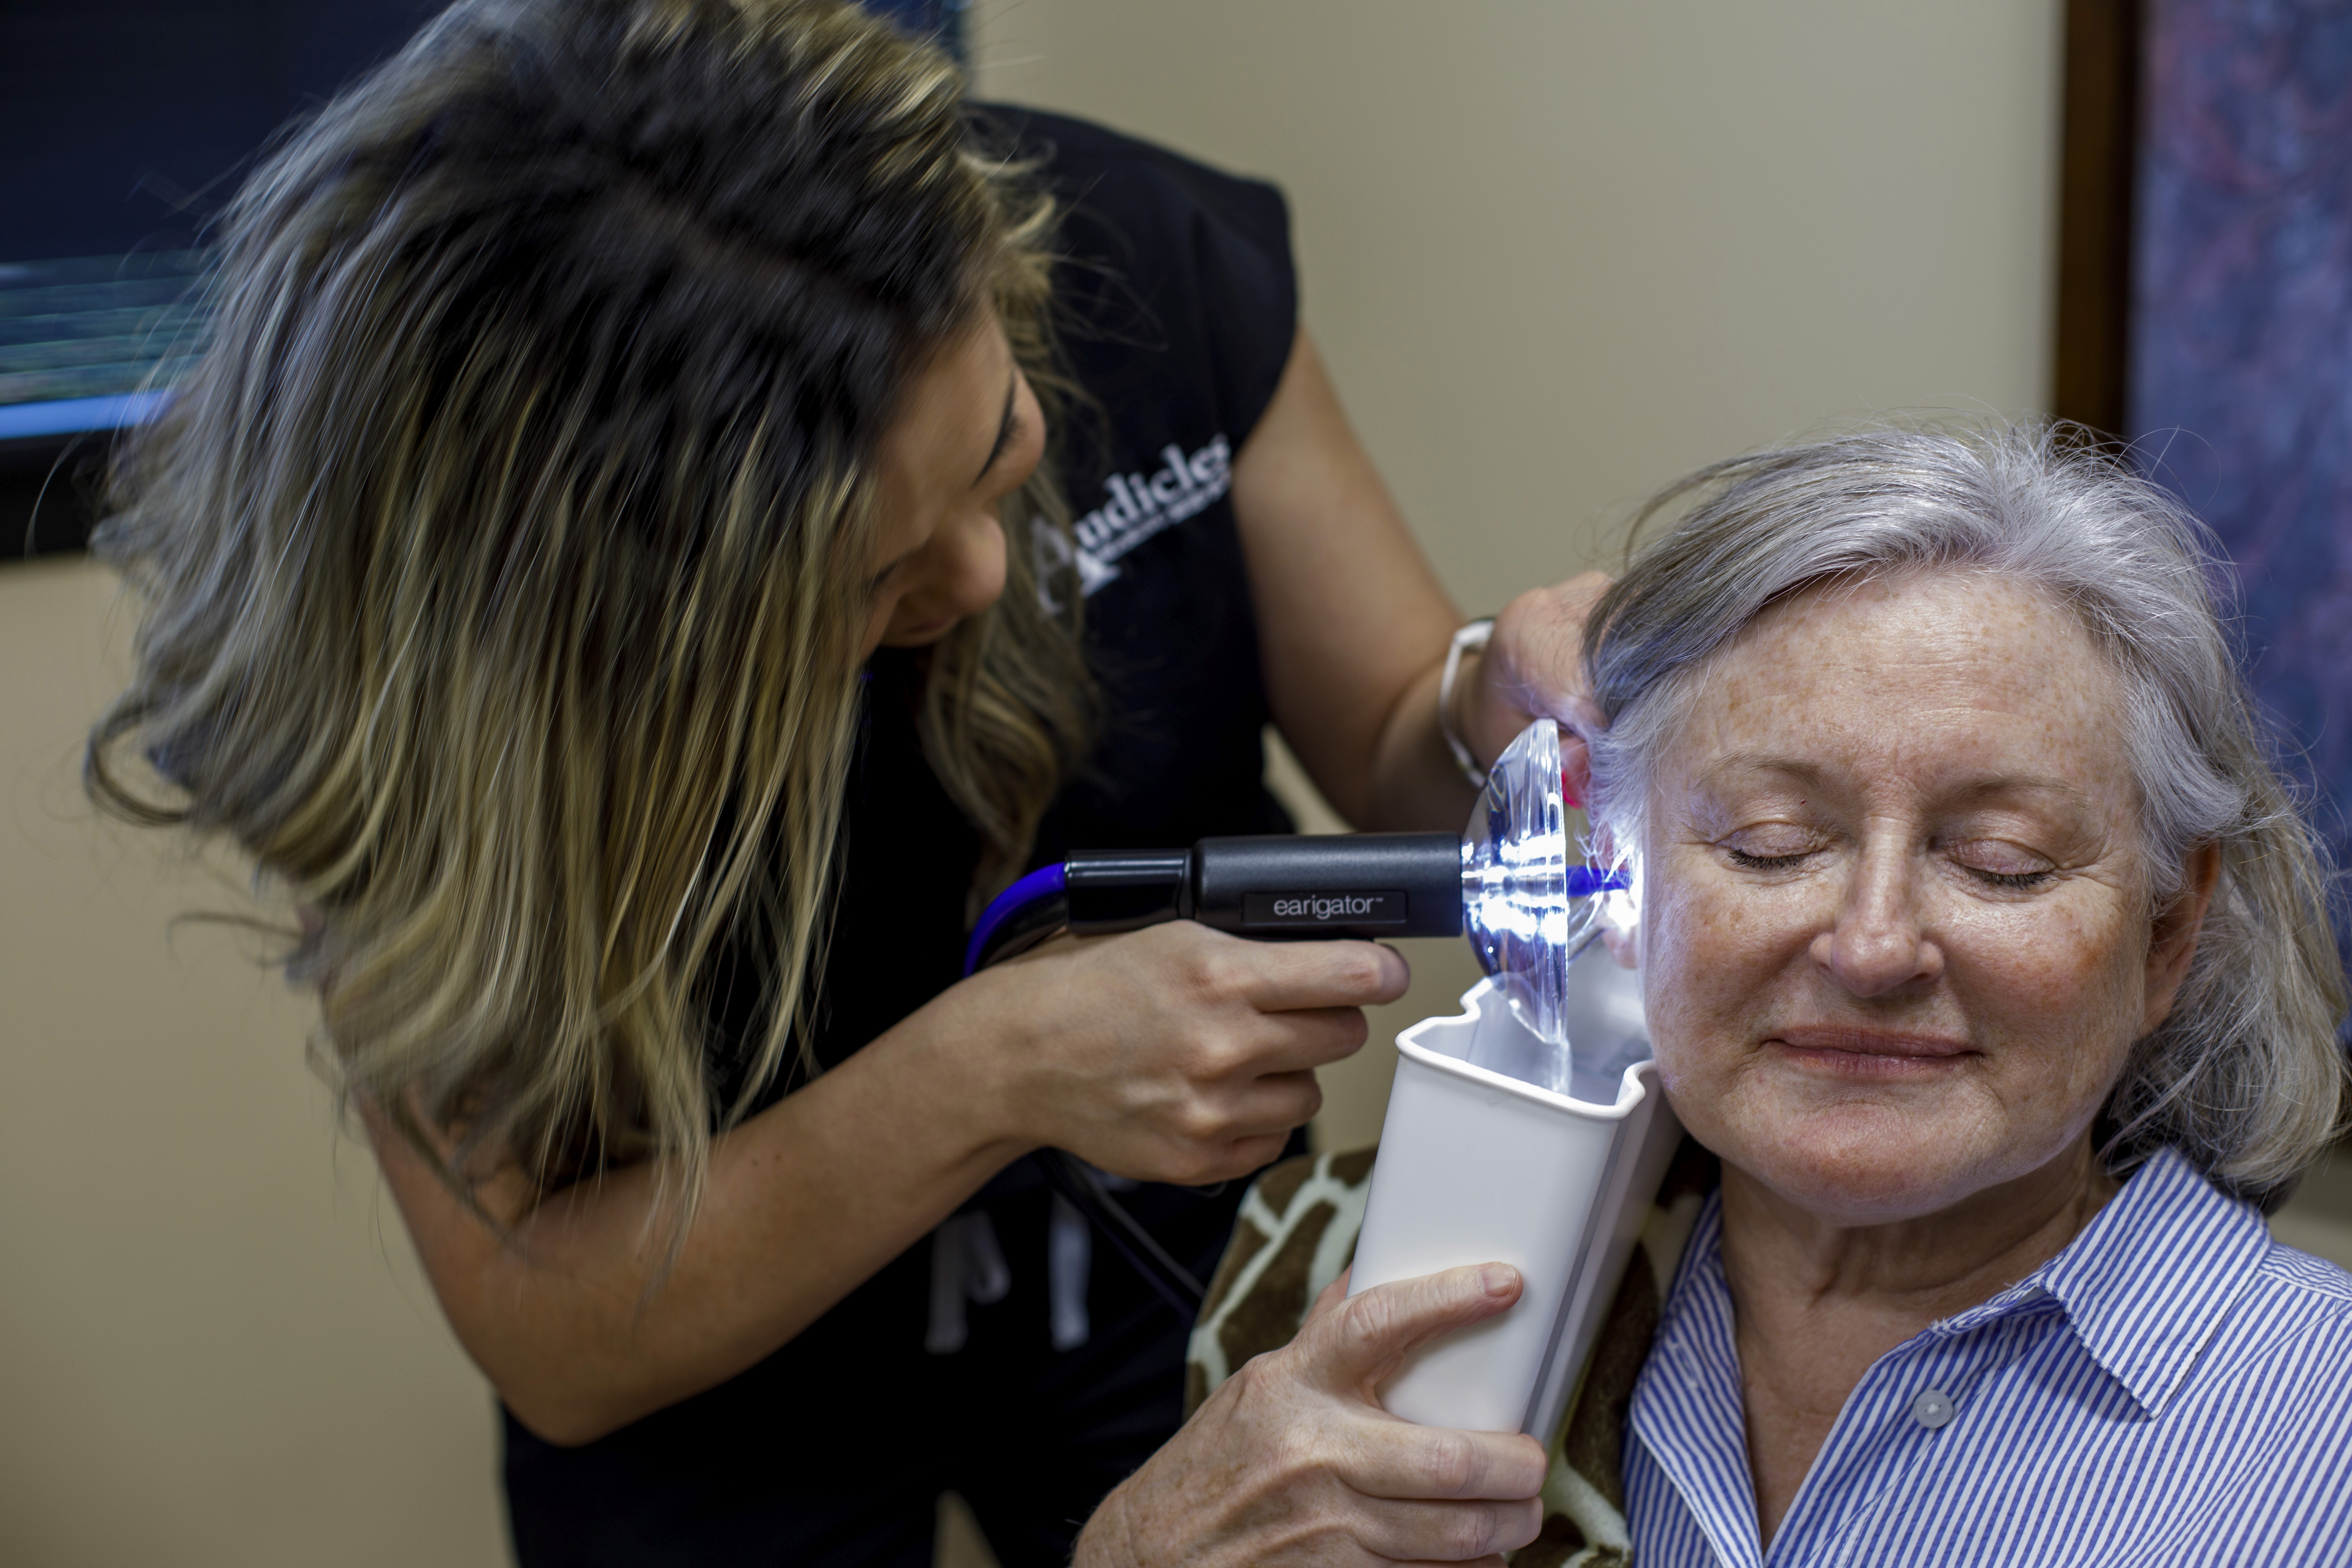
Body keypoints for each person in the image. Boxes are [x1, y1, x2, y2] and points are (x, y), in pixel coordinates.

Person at [83, 1, 1603, 1562]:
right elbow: (554, 1328)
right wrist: (995, 1064)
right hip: (696, 1326)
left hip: (1168, 1263)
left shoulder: (1133, 251)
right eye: (868, 584)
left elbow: (1392, 744)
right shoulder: (413, 669)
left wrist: (1489, 698)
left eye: (1004, 447)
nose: (986, 568)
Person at [1076, 422, 2352, 1566]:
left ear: (2168, 931)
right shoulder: (1369, 1303)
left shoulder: (2316, 1439)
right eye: (1770, 845)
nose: (1871, 946)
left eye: (1997, 862)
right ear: (1622, 891)